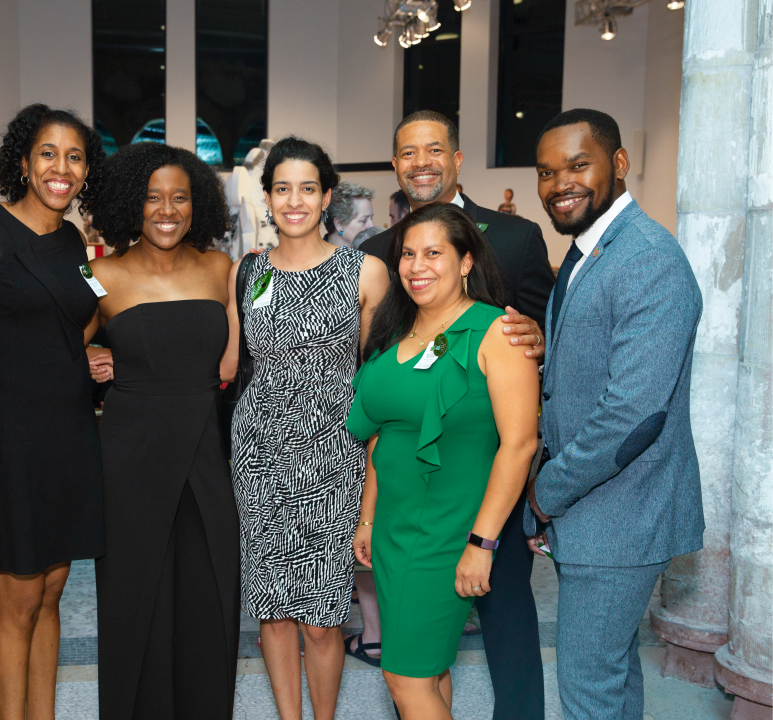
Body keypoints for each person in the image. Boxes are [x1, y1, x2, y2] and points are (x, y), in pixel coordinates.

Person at [358, 109, 552, 720]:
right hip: (395, 522)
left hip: (466, 511)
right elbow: (380, 432)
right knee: (427, 667)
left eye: (434, 254)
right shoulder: (383, 287)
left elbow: (521, 432)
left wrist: (483, 540)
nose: (417, 266)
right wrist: (366, 516)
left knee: (411, 674)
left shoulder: (510, 259)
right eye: (409, 255)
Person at [526, 109, 703, 720]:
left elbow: (633, 414)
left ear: (619, 164)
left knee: (586, 689)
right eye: (546, 172)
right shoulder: (592, 252)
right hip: (603, 512)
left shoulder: (647, 256)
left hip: (620, 513)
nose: (559, 184)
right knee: (613, 674)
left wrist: (547, 492)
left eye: (578, 165)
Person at [228, 137, 390, 720]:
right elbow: (225, 364)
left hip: (334, 457)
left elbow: (382, 382)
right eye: (281, 188)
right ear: (267, 197)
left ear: (326, 196)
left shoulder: (365, 271)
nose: (293, 201)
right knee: (271, 610)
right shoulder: (247, 272)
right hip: (260, 455)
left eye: (307, 188)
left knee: (322, 619)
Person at [0, 104, 106, 720]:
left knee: (51, 594)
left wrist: (90, 351)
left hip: (69, 431)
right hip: (12, 435)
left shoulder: (73, 239)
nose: (61, 168)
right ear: (22, 160)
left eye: (75, 157)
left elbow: (81, 312)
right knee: (15, 600)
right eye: (48, 153)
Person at [87, 142, 240, 720]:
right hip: (130, 453)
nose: (167, 209)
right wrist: (85, 358)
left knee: (209, 591)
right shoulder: (97, 273)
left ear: (197, 203)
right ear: (131, 203)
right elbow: (56, 344)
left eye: (180, 196)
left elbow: (237, 361)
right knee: (135, 595)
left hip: (206, 446)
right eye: (152, 197)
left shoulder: (220, 268)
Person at [326, 181, 375, 247]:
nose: (372, 226)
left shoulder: (372, 253)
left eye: (371, 218)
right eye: (364, 220)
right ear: (339, 224)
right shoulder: (314, 256)